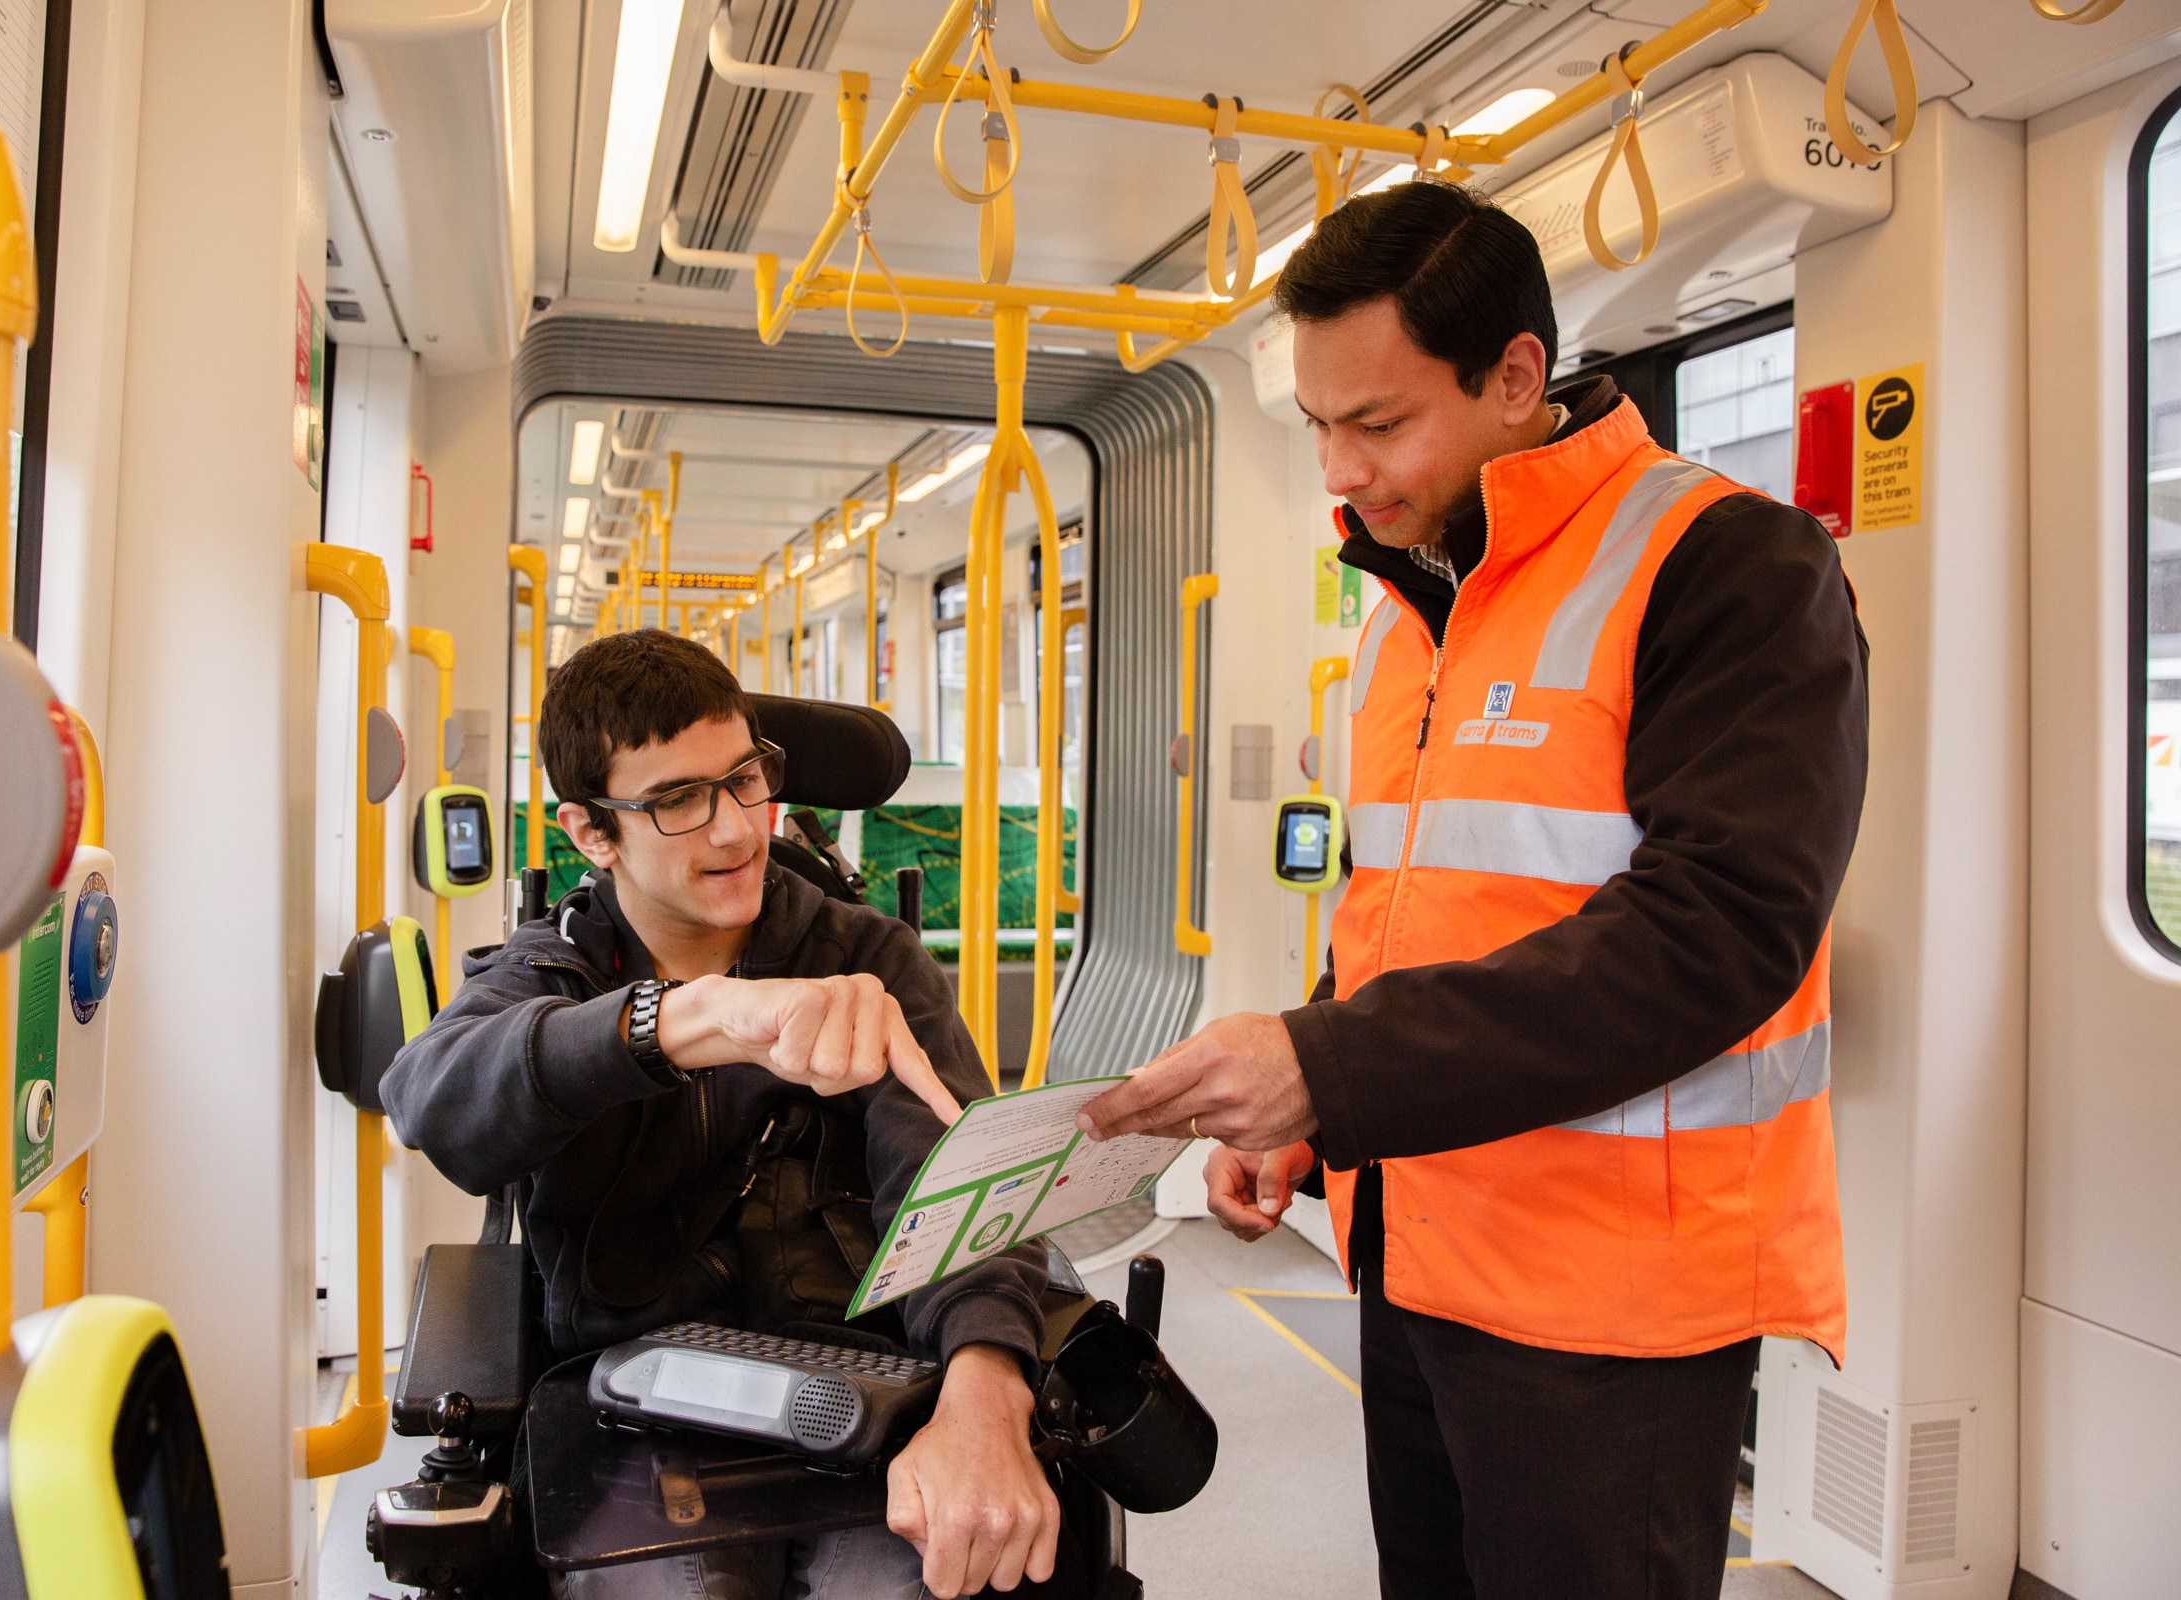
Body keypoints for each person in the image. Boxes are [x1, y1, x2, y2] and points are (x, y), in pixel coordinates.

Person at [1077, 180, 1867, 1599]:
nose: (1338, 470)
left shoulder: (1728, 564)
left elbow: (1720, 931)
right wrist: (1315, 1119)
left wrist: (1327, 1063)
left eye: (1376, 424)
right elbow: (1409, 904)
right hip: (1420, 1256)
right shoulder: (1403, 614)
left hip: (1614, 1304)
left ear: (1516, 376)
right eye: (1317, 425)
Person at [384, 631, 1061, 1600]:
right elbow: (435, 1096)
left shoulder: (864, 957)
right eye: (676, 801)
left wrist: (986, 1385)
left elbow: (955, 1179)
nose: (739, 828)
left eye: (746, 778)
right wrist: (680, 1017)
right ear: (589, 830)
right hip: (626, 1406)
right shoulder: (558, 970)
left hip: (858, 1389)